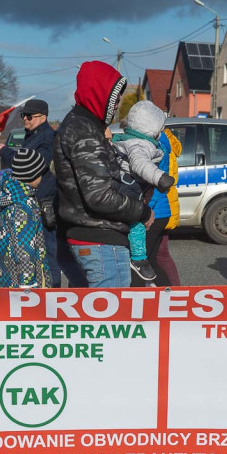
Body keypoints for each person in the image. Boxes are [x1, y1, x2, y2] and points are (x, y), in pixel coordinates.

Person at [55, 61, 153, 288]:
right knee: (110, 318)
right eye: (115, 96)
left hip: (93, 235)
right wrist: (142, 211)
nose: (118, 103)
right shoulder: (84, 131)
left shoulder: (83, 125)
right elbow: (99, 196)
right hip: (100, 239)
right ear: (99, 92)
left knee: (94, 314)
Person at [0, 99, 67, 287]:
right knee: (31, 250)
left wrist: (5, 151)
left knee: (48, 250)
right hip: (32, 197)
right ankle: (35, 288)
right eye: (23, 115)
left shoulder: (46, 137)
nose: (25, 119)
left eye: (29, 116)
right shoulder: (32, 134)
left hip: (43, 199)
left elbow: (30, 166)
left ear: (43, 117)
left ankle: (52, 291)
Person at [111, 101, 175, 283]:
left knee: (143, 261)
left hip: (152, 207)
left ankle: (162, 297)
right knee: (155, 261)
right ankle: (163, 299)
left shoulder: (148, 145)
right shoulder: (144, 143)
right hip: (152, 206)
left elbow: (145, 169)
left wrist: (145, 211)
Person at [0, 148, 51, 289]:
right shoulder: (24, 205)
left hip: (7, 274)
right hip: (24, 282)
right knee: (31, 312)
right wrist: (29, 286)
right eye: (40, 174)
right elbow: (24, 248)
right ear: (33, 175)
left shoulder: (11, 196)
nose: (42, 178)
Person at [155, 127, 182, 286]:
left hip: (160, 203)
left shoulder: (159, 144)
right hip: (167, 201)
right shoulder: (168, 139)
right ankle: (174, 291)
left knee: (159, 254)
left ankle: (173, 292)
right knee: (161, 252)